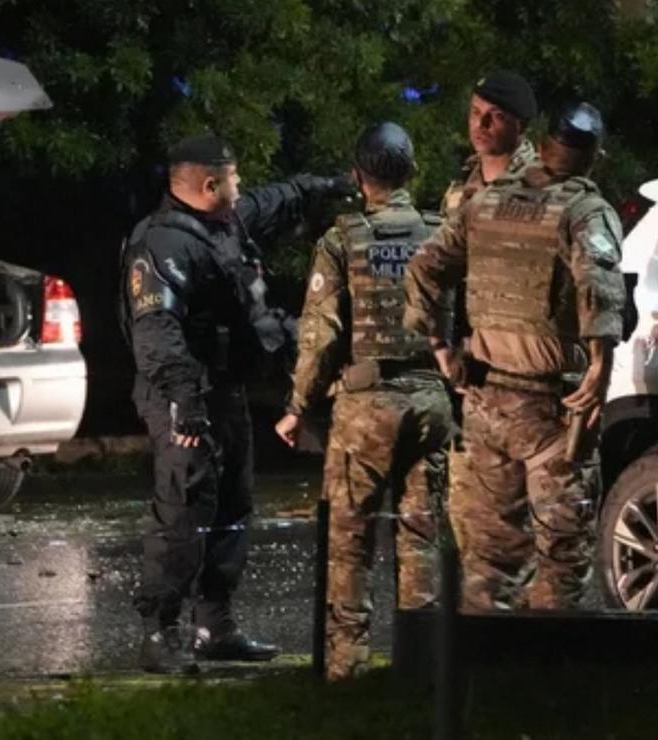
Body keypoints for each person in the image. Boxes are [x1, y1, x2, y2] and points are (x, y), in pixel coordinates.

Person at [122, 134, 353, 673]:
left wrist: (326, 187)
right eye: (233, 177)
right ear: (209, 184)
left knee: (232, 505)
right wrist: (184, 402)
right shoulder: (162, 244)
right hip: (181, 394)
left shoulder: (221, 224)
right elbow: (156, 333)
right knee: (183, 510)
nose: (240, 185)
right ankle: (159, 633)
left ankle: (215, 625)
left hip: (224, 390)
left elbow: (272, 201)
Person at [403, 104, 626, 611]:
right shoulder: (584, 211)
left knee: (487, 566)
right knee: (561, 562)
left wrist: (440, 347)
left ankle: (484, 679)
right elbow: (599, 282)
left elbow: (424, 267)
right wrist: (600, 362)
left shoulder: (487, 202)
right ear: (594, 157)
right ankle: (538, 678)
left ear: (545, 145)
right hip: (552, 409)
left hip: (484, 403)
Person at [274, 123, 453, 680]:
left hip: (366, 407)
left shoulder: (342, 240)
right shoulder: (440, 233)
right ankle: (420, 668)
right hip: (432, 400)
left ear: (358, 177)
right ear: (411, 171)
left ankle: (346, 672)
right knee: (422, 537)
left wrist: (297, 405)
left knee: (348, 542)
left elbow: (320, 334)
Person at [441, 70, 541, 219]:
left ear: (522, 125)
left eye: (497, 116)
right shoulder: (463, 181)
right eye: (476, 112)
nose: (481, 124)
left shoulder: (540, 184)